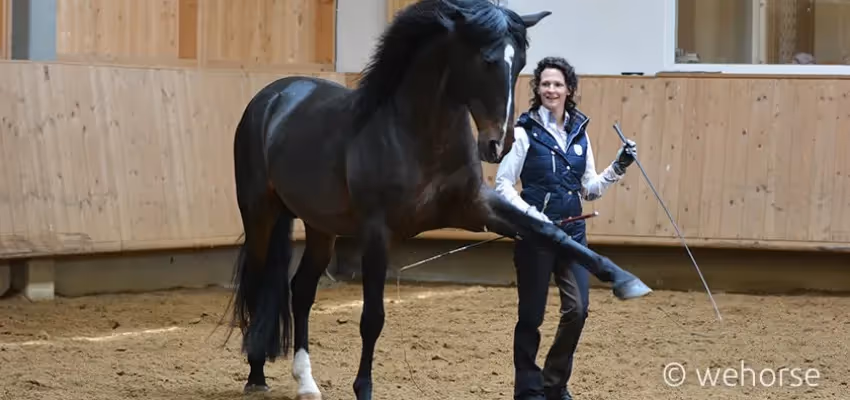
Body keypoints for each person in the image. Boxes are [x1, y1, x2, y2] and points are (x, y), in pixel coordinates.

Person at [494, 56, 637, 400]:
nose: (551, 90)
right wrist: (533, 215)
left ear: (569, 89)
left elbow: (588, 189)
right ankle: (528, 390)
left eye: (557, 84)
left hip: (572, 236)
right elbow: (502, 185)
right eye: (545, 84)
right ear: (538, 89)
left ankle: (554, 383)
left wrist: (619, 166)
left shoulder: (580, 134)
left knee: (578, 309)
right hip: (536, 237)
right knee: (531, 316)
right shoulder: (524, 131)